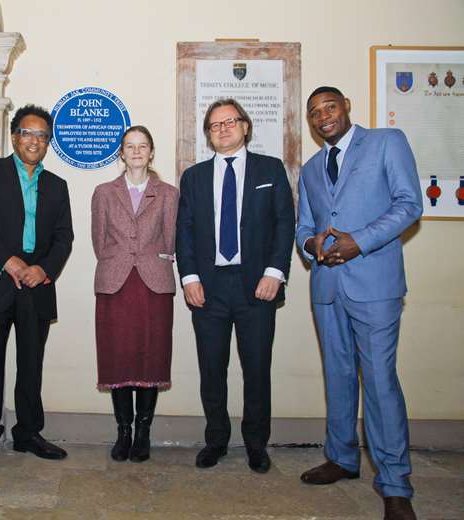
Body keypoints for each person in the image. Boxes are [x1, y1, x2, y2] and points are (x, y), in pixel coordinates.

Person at [297, 86, 422, 520]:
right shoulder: (311, 169)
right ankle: (342, 457)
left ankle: (394, 484)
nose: (323, 117)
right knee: (338, 376)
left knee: (381, 382)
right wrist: (314, 244)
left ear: (346, 106)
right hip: (327, 289)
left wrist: (359, 243)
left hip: (375, 285)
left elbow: (410, 204)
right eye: (314, 113)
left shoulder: (387, 142)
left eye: (329, 107)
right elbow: (304, 228)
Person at [176, 98, 294, 473]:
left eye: (230, 122)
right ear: (209, 136)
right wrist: (190, 278)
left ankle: (257, 444)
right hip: (208, 289)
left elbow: (284, 224)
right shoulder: (194, 177)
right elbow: (185, 231)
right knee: (212, 369)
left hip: (257, 286)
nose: (223, 128)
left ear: (245, 126)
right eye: (215, 125)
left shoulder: (270, 170)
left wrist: (275, 273)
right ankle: (216, 440)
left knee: (257, 369)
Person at [0, 104, 74, 467]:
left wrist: (42, 269)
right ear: (15, 136)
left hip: (36, 286)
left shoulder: (57, 186)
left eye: (43, 136)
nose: (35, 141)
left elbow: (64, 238)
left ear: (48, 144)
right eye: (28, 133)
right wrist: (7, 261)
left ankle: (28, 433)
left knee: (31, 363)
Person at [90, 126, 178, 462]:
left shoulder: (168, 193)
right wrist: (122, 261)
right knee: (118, 357)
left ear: (151, 152)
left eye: (143, 146)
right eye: (130, 146)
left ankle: (143, 432)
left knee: (150, 356)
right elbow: (100, 243)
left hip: (154, 284)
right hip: (115, 283)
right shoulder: (103, 192)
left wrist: (148, 259)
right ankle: (123, 431)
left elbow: (170, 241)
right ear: (121, 153)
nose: (137, 152)